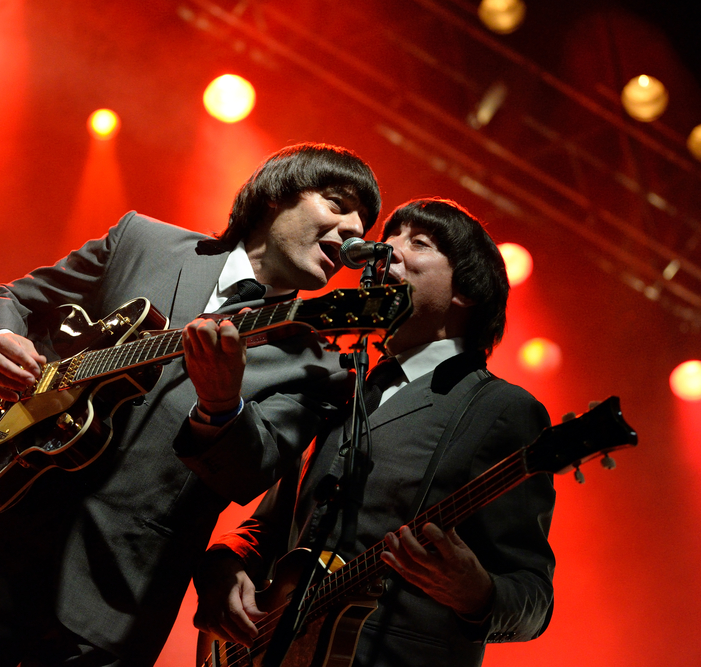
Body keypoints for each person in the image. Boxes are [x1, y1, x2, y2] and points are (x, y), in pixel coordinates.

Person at [0, 143, 381, 667]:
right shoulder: (141, 240)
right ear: (274, 196)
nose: (352, 230)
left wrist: (221, 406)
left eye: (363, 227)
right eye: (336, 204)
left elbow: (249, 473)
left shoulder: (318, 363)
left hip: (114, 609)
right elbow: (10, 299)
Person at [190, 198, 556, 667]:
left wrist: (478, 593)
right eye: (390, 236)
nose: (386, 250)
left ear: (465, 289)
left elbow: (532, 596)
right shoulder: (341, 388)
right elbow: (269, 527)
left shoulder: (502, 410)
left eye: (417, 242)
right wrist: (224, 565)